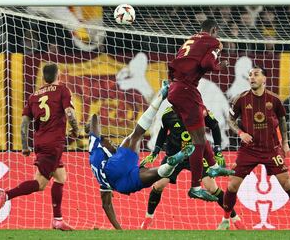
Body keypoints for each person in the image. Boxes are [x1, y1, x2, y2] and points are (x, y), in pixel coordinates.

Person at [87, 81, 195, 230]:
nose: (113, 142)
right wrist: (93, 123)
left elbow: (106, 205)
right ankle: (161, 95)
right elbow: (94, 117)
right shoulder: (95, 147)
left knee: (157, 174)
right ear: (102, 142)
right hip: (115, 168)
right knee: (135, 135)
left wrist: (119, 230)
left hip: (121, 184)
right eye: (109, 141)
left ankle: (173, 162)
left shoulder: (96, 157)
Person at [220, 66, 290, 230]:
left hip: (271, 149)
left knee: (287, 183)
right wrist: (241, 133)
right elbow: (230, 120)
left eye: (256, 75)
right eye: (250, 75)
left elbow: (283, 121)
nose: (252, 78)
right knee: (232, 185)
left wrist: (284, 143)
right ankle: (226, 220)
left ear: (264, 79)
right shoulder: (240, 99)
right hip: (248, 149)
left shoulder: (274, 99)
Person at [0, 63, 79, 230]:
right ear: (57, 75)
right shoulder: (62, 90)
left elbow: (24, 123)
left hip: (40, 142)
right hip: (54, 144)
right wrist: (75, 130)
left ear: (43, 77)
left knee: (61, 176)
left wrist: (25, 146)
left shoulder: (33, 96)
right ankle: (6, 194)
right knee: (39, 184)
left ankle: (58, 219)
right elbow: (69, 113)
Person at [140, 106, 245, 230]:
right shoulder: (167, 114)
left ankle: (234, 218)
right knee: (158, 185)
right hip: (175, 156)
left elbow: (215, 126)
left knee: (212, 188)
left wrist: (217, 149)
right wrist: (155, 152)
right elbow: (163, 132)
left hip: (197, 153)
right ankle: (148, 218)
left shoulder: (199, 110)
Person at [168, 19, 234, 201]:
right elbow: (206, 64)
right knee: (198, 141)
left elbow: (179, 63)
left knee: (199, 136)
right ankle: (195, 186)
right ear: (214, 30)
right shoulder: (213, 42)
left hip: (174, 89)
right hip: (186, 91)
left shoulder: (191, 39)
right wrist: (218, 62)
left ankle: (212, 165)